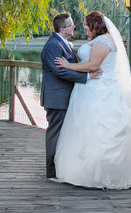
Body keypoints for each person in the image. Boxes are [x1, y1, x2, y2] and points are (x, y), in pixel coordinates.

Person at [52, 11, 131, 189]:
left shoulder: (103, 41)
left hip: (101, 91)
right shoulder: (101, 40)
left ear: (94, 25)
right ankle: (88, 169)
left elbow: (93, 65)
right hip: (92, 89)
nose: (84, 29)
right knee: (90, 129)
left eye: (86, 26)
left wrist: (69, 65)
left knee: (101, 129)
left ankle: (103, 174)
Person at [40, 13, 100, 180]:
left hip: (63, 96)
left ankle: (61, 167)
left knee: (63, 133)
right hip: (57, 97)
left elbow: (70, 66)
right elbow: (59, 70)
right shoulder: (53, 45)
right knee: (55, 133)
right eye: (71, 24)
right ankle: (51, 172)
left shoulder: (62, 42)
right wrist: (86, 77)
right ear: (62, 29)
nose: (74, 27)